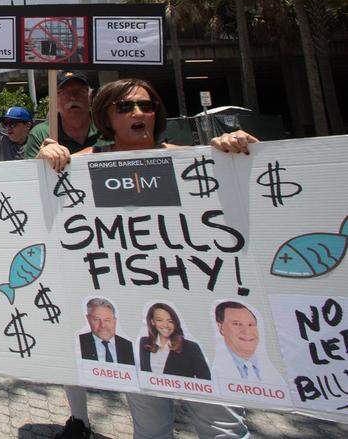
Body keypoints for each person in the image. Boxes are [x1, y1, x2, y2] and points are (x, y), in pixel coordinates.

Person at [40, 77, 258, 439]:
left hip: (198, 322)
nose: (139, 113)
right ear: (107, 118)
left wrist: (241, 152)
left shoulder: (190, 158)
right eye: (125, 107)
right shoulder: (84, 166)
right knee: (151, 429)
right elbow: (39, 194)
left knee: (223, 429)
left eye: (147, 105)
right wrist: (47, 160)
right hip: (138, 332)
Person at [24, 71, 99, 439]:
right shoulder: (42, 133)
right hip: (65, 245)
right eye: (64, 91)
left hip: (108, 246)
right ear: (55, 100)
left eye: (78, 91)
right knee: (72, 328)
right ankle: (79, 418)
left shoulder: (107, 126)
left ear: (90, 96)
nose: (72, 97)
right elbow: (24, 179)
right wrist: (42, 156)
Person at [211, 302, 284, 384]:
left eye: (250, 325)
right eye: (237, 324)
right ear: (221, 328)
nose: (247, 331)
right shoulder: (214, 369)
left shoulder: (276, 373)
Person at [139, 303, 209, 379]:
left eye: (170, 321)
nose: (165, 325)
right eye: (160, 320)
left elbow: (205, 379)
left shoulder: (191, 347)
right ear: (152, 322)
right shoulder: (145, 343)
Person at [78, 298, 136, 365]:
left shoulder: (129, 346)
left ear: (114, 321)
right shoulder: (79, 342)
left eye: (107, 320)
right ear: (88, 319)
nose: (102, 325)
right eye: (96, 319)